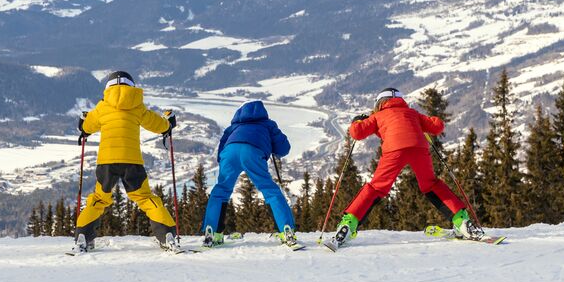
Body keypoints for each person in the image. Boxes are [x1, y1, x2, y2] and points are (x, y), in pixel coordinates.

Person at [327, 87, 484, 250]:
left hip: (394, 151)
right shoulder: (412, 113)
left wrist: (357, 121)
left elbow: (356, 133)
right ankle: (462, 221)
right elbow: (437, 126)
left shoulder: (377, 116)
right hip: (419, 149)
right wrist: (427, 120)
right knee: (431, 185)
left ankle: (348, 224)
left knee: (375, 188)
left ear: (379, 103)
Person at [73, 70, 179, 253]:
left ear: (108, 87)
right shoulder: (137, 107)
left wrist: (82, 122)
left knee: (99, 199)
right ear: (131, 86)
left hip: (106, 163)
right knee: (146, 198)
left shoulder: (102, 108)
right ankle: (167, 235)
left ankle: (83, 236)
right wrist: (168, 123)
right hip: (132, 162)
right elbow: (159, 125)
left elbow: (86, 126)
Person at [201, 100, 296, 248]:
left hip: (229, 152)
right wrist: (273, 148)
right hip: (253, 151)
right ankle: (286, 230)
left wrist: (225, 162)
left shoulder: (233, 127)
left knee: (220, 191)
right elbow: (284, 149)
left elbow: (221, 149)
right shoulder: (268, 124)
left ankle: (212, 232)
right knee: (270, 190)